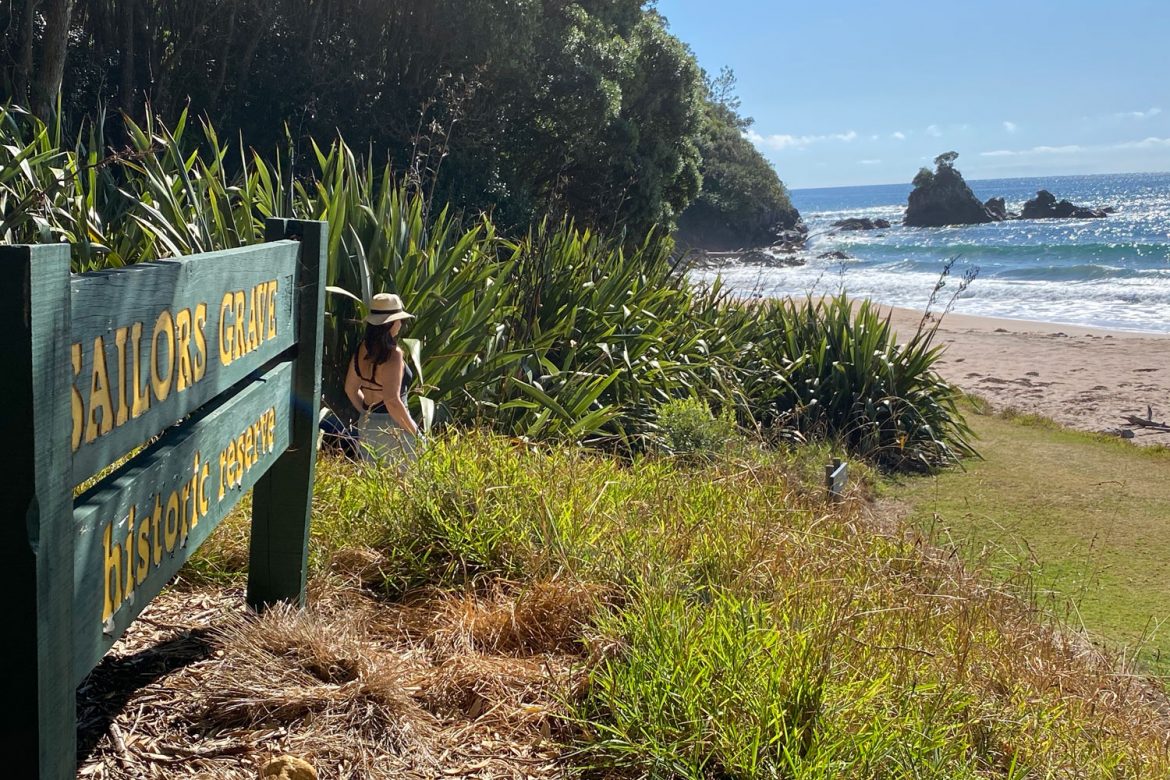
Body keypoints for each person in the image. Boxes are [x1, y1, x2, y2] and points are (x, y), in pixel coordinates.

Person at [344, 292, 421, 467]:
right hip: (394, 425)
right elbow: (392, 400)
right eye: (400, 320)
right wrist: (414, 431)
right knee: (404, 480)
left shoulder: (362, 349)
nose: (401, 324)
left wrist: (367, 412)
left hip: (366, 424)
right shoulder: (394, 355)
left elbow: (350, 388)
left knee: (373, 479)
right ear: (390, 323)